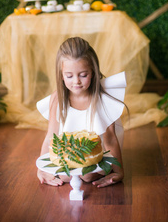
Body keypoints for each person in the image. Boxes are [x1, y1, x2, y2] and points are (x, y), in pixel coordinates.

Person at [36, 37, 127, 188]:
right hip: (70, 151)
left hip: (97, 152)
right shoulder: (57, 98)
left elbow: (110, 140)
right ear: (61, 74)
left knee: (88, 175)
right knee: (65, 175)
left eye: (83, 75)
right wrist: (43, 169)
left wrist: (118, 172)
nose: (76, 81)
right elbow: (50, 137)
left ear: (93, 71)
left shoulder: (102, 98)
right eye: (69, 76)